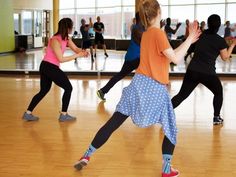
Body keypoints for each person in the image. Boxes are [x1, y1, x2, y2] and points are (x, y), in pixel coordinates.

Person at [74, 0, 200, 176]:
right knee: (170, 126)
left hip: (137, 83)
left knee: (114, 122)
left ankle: (86, 155)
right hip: (154, 87)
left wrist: (189, 40)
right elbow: (177, 59)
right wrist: (190, 39)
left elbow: (171, 55)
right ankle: (166, 169)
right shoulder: (158, 33)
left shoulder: (147, 33)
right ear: (159, 12)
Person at [172, 14, 236, 125]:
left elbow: (190, 41)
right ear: (218, 26)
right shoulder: (220, 40)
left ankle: (162, 113)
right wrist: (232, 45)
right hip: (208, 73)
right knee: (218, 92)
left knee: (181, 95)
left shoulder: (200, 35)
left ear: (207, 23)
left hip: (192, 70)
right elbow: (225, 57)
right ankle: (216, 117)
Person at [22, 18, 89, 122]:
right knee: (68, 88)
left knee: (44, 90)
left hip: (48, 67)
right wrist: (77, 55)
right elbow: (61, 59)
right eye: (71, 26)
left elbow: (76, 49)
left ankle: (28, 113)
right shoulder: (55, 40)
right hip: (48, 67)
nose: (72, 28)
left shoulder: (66, 38)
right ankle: (63, 114)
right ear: (67, 28)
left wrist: (83, 52)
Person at [96, 12, 144, 101]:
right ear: (141, 18)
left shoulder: (135, 27)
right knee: (145, 76)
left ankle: (103, 91)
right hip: (136, 58)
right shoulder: (139, 30)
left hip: (131, 56)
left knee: (122, 75)